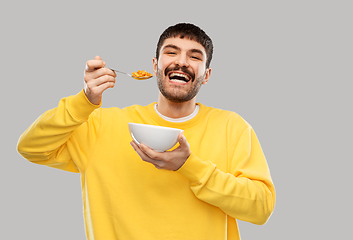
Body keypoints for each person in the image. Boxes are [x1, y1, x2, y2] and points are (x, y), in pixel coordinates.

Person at [17, 23, 275, 240]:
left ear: (206, 75)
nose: (182, 62)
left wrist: (190, 166)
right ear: (154, 65)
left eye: (194, 56)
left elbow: (261, 208)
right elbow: (31, 147)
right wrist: (84, 101)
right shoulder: (102, 124)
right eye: (171, 52)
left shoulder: (232, 127)